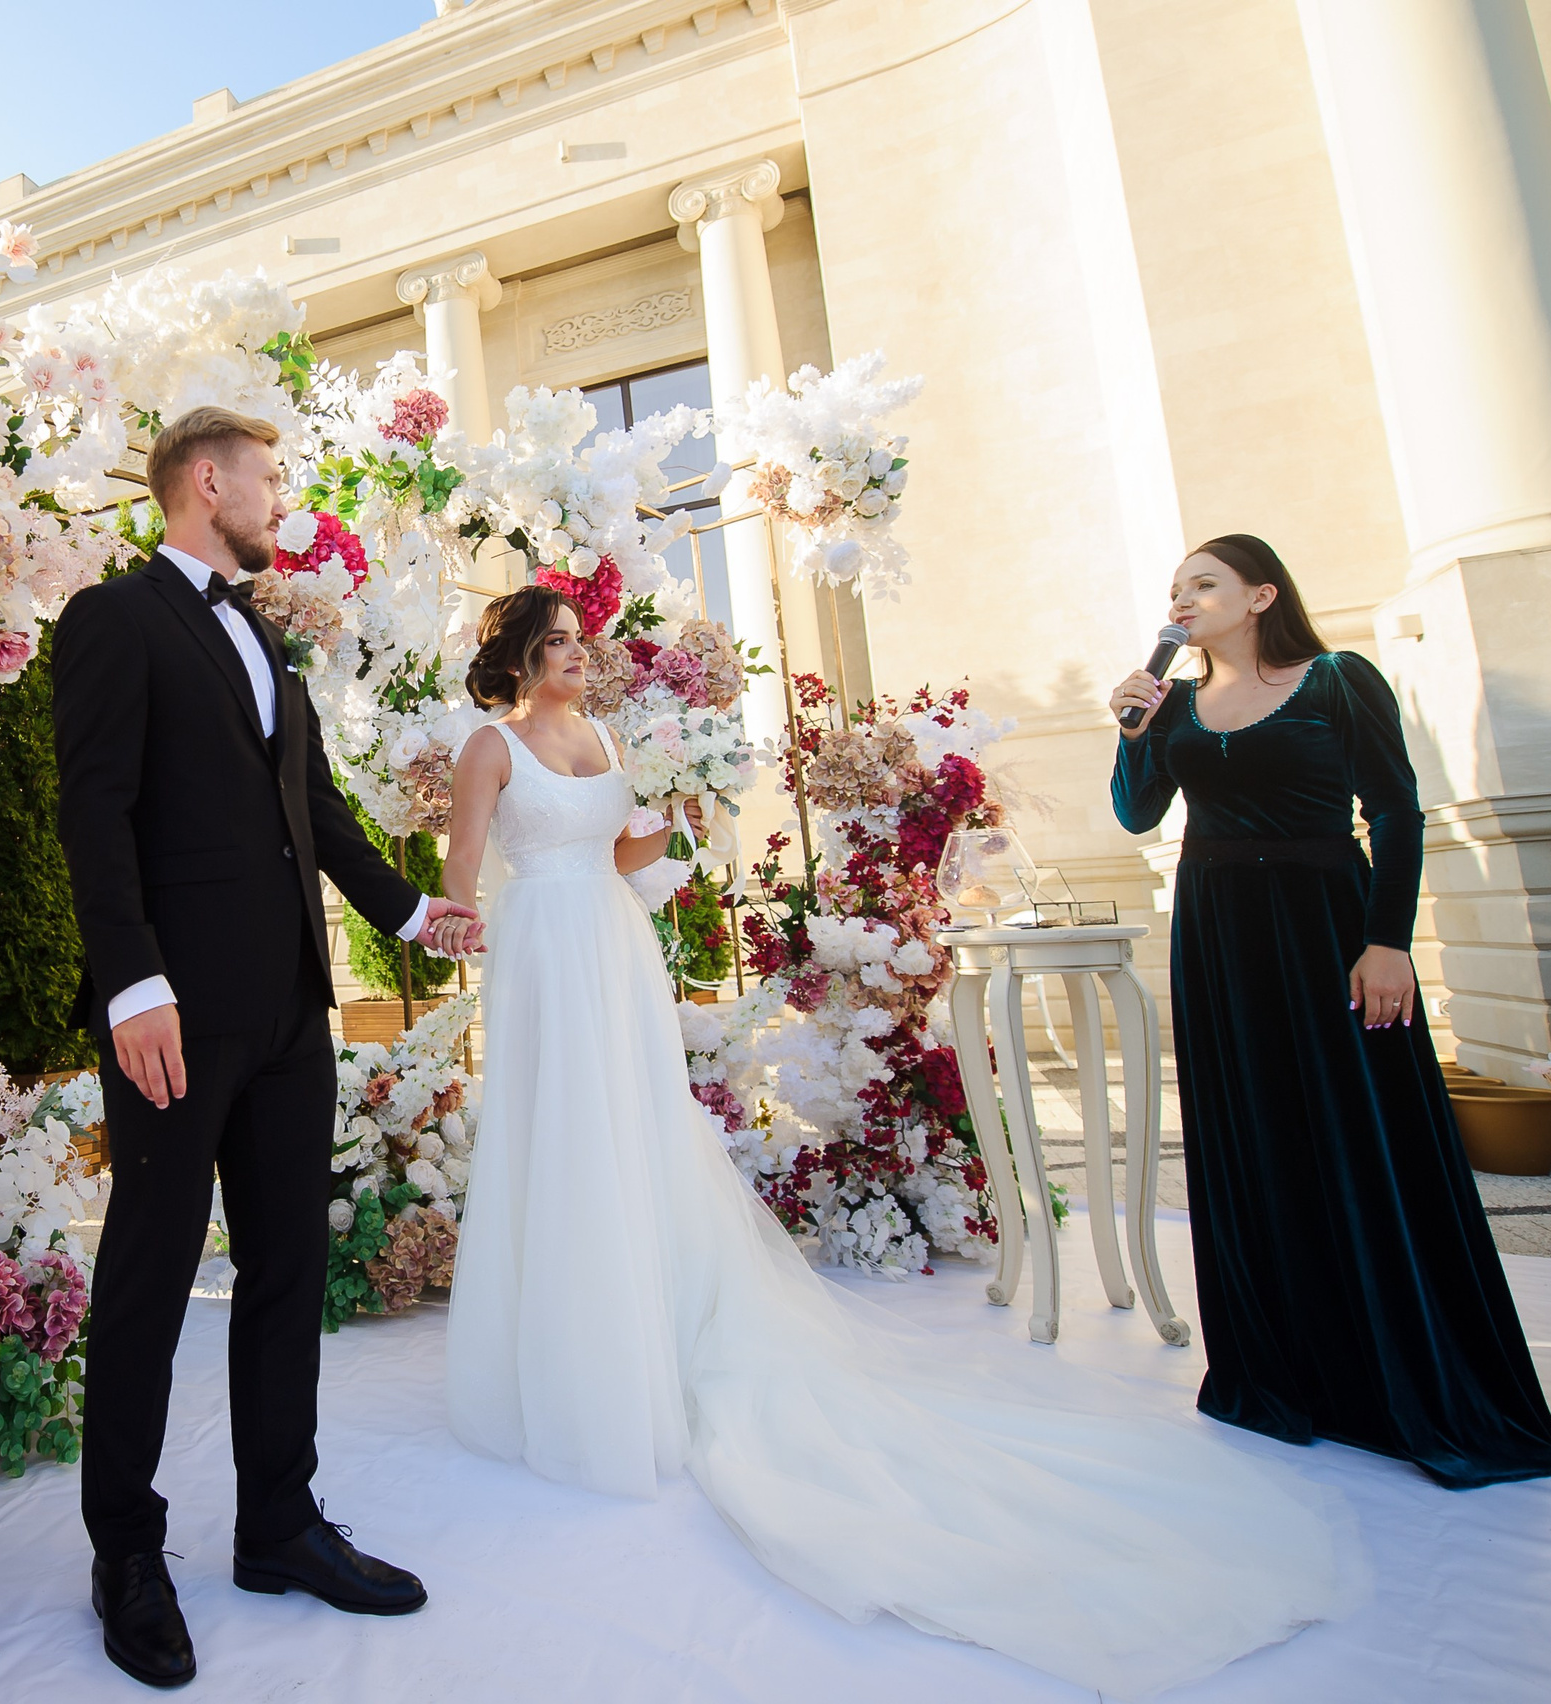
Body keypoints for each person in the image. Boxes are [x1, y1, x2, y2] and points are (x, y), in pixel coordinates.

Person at [436, 583, 1364, 1699]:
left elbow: (622, 856)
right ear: (519, 657)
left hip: (613, 945)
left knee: (633, 1134)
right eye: (558, 646)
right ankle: (573, 1352)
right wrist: (479, 950)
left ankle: (645, 1324)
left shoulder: (605, 732)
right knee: (560, 1137)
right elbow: (465, 876)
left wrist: (672, 827)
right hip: (542, 945)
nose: (580, 660)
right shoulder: (489, 747)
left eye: (581, 644)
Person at [51, 406, 481, 1688]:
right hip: (176, 1016)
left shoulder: (263, 637)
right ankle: (124, 1550)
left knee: (289, 1270)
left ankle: (277, 1526)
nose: (280, 498)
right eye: (268, 478)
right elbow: (95, 811)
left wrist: (409, 911)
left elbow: (318, 813)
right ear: (204, 479)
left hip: (294, 1010)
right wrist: (134, 986)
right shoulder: (113, 619)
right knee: (147, 1276)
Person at [1109, 533, 1551, 1488]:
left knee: (1361, 1133)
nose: (1184, 601)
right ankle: (1286, 1370)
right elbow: (1136, 816)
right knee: (1257, 1136)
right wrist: (1132, 731)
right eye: (1175, 589)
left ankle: (1405, 1374)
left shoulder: (1335, 680)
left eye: (1206, 584)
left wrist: (1386, 937)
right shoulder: (1175, 701)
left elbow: (1395, 810)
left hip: (1326, 926)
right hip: (1219, 940)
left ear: (1262, 594)